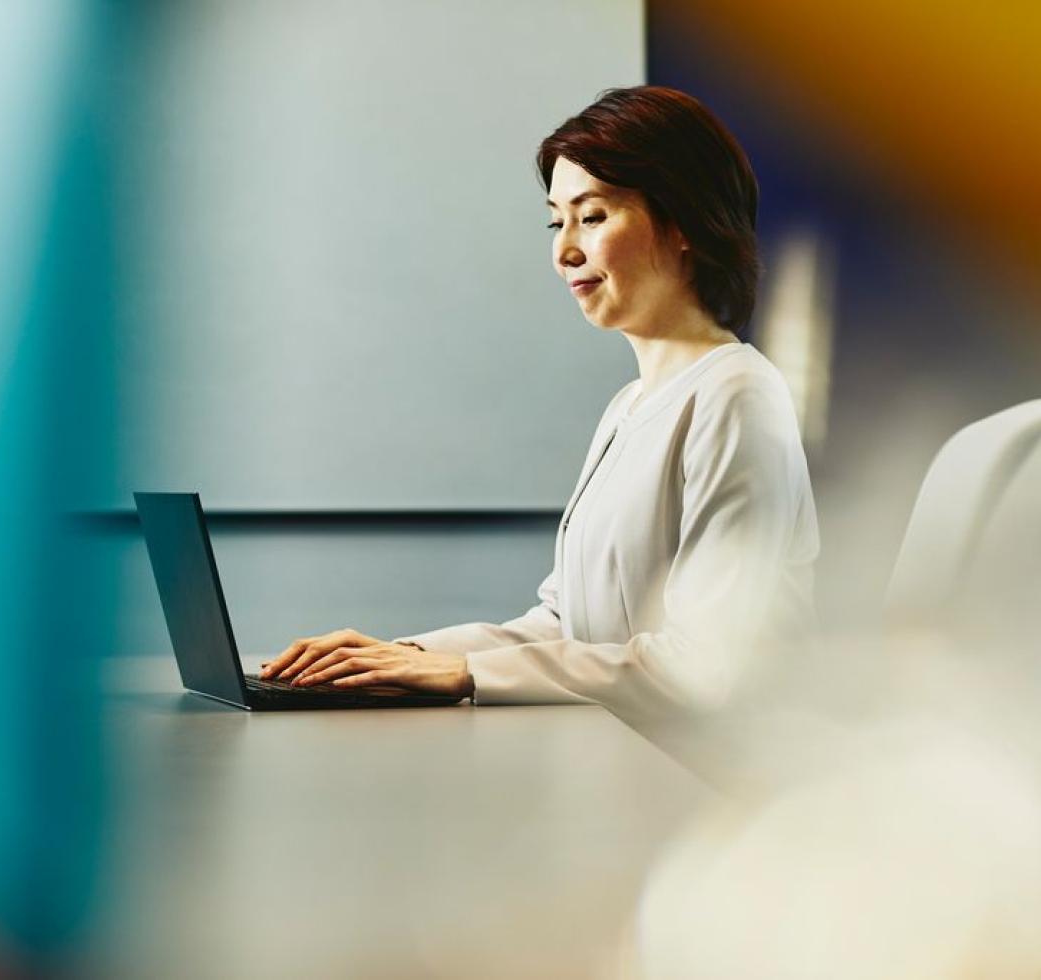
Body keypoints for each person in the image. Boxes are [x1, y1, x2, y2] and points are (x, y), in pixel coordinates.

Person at [259, 86, 819, 733]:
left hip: (693, 779)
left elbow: (711, 665)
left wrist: (466, 675)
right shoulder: (631, 404)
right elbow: (565, 623)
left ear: (683, 222)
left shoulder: (737, 396)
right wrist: (407, 655)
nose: (564, 251)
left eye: (593, 216)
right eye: (557, 221)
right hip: (614, 752)